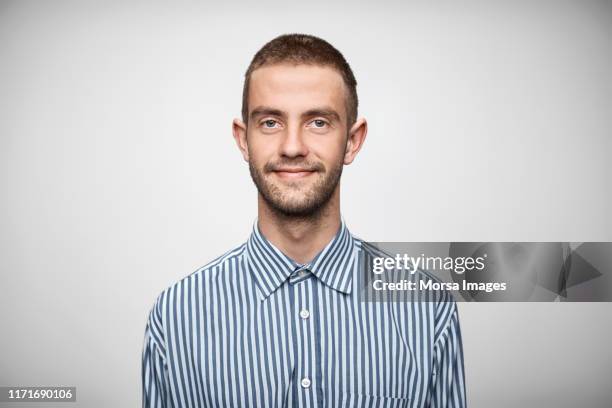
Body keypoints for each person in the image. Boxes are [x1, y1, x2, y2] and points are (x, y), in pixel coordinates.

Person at [142, 33, 466, 408]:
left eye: (318, 123)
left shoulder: (428, 308)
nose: (292, 147)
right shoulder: (176, 314)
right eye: (269, 123)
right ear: (243, 139)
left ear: (353, 140)